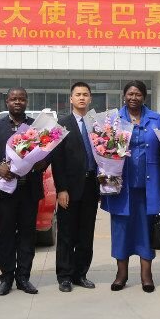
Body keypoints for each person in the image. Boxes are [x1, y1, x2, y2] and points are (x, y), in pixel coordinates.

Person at [102, 81, 160, 293]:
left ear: (144, 97)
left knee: (146, 231)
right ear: (124, 96)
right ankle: (121, 274)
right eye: (130, 94)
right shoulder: (112, 119)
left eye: (138, 94)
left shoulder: (156, 118)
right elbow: (102, 151)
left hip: (149, 186)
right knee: (121, 230)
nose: (134, 97)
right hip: (121, 185)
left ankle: (146, 275)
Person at [0, 87, 45, 296]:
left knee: (28, 235)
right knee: (5, 234)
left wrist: (40, 164)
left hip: (29, 189)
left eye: (21, 99)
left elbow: (46, 154)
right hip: (5, 190)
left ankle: (23, 278)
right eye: (13, 99)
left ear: (27, 102)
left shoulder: (36, 128)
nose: (17, 102)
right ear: (7, 102)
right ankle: (6, 277)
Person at [50, 82, 101, 292]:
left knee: (86, 233)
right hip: (69, 189)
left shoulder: (97, 123)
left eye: (85, 95)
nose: (81, 98)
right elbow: (57, 160)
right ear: (71, 99)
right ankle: (64, 276)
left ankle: (81, 274)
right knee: (66, 234)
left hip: (91, 185)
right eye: (78, 94)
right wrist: (61, 188)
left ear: (90, 99)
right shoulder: (62, 124)